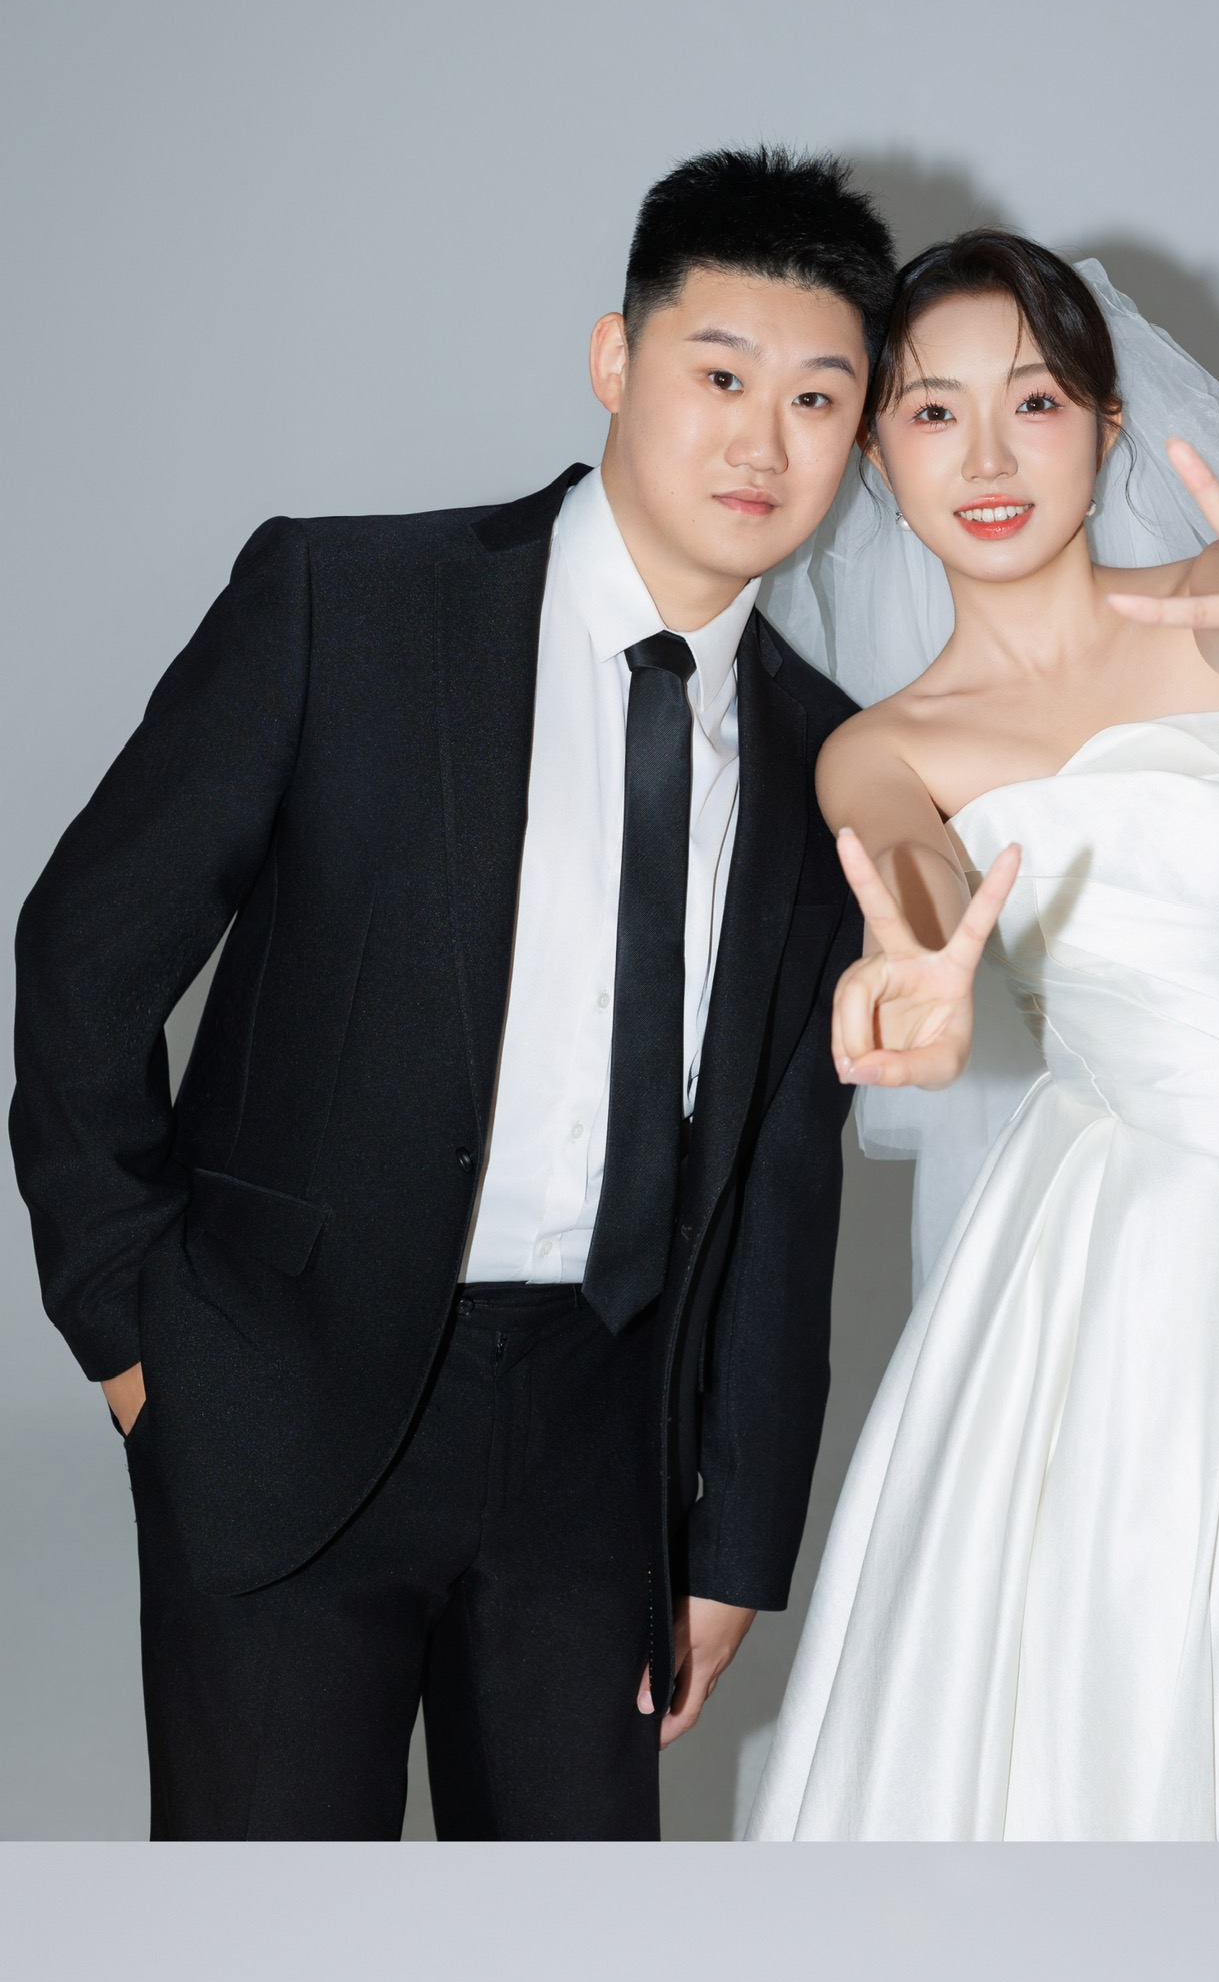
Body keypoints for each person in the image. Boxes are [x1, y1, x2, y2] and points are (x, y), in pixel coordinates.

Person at [9, 141, 892, 1837]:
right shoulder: (347, 604)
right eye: (720, 375)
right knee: (270, 1944)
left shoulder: (826, 759)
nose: (761, 442)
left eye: (817, 400)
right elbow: (84, 948)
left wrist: (734, 1541)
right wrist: (131, 1332)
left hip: (600, 1449)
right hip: (281, 1395)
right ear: (615, 360)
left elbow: (786, 1183)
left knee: (564, 1965)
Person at [751, 229, 1219, 1840]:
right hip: (1103, 1252)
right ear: (878, 454)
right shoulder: (883, 750)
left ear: (1106, 425)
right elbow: (914, 897)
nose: (988, 456)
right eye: (933, 411)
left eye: (1035, 401)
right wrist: (913, 985)